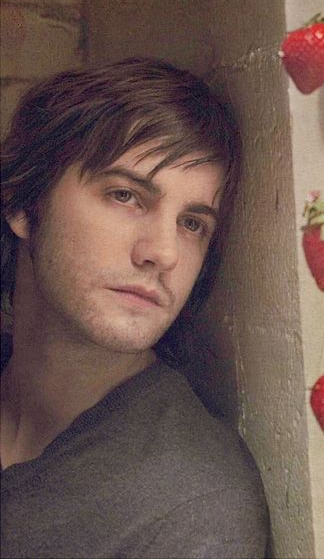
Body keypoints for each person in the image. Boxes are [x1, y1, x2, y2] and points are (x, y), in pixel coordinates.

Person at [0, 58, 268, 558]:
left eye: (192, 224)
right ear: (22, 202)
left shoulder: (190, 509)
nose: (163, 253)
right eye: (125, 196)